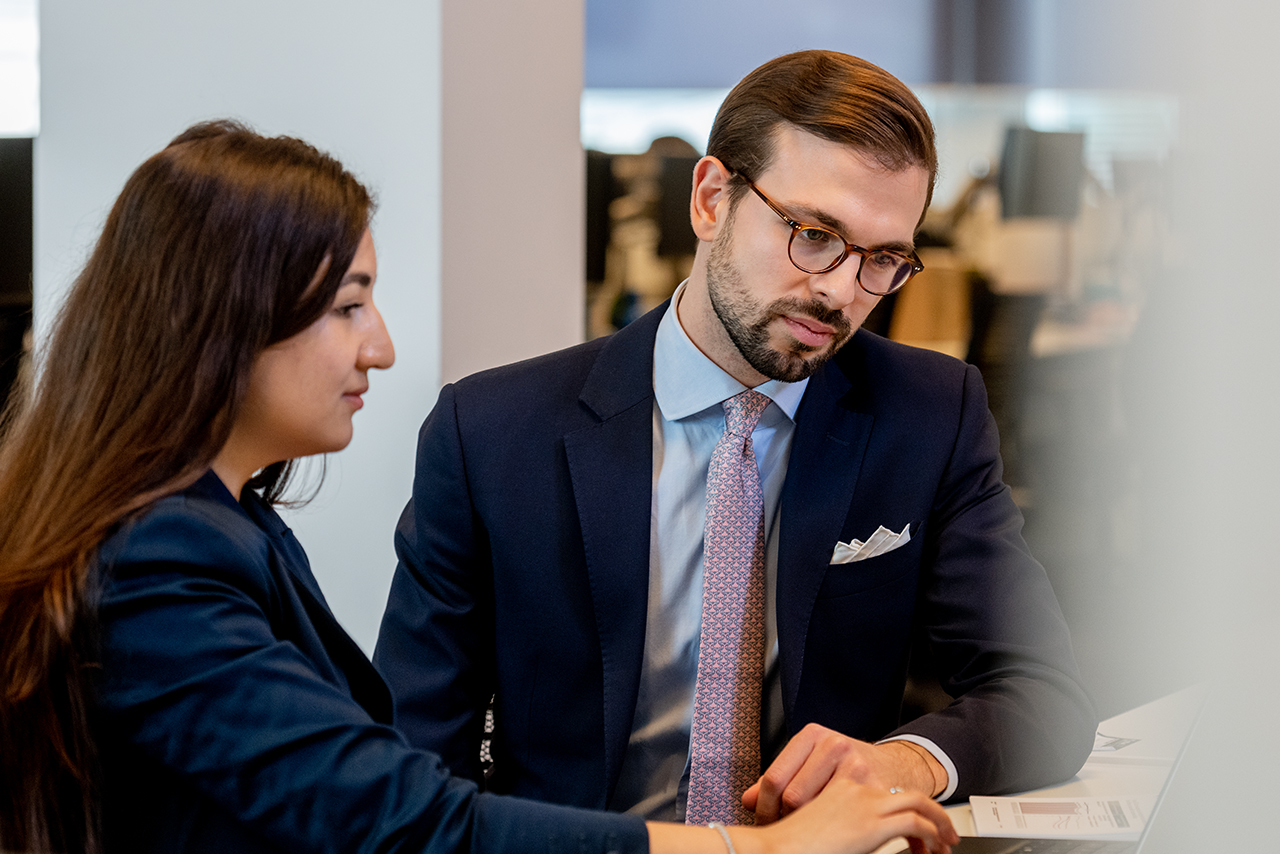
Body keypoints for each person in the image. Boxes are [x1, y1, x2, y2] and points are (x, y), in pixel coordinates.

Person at [0, 121, 956, 854]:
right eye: (347, 306)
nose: (379, 345)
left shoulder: (232, 518)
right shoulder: (160, 555)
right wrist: (764, 851)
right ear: (220, 323)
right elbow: (393, 811)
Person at [375, 49, 1096, 827]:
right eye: (815, 235)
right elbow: (410, 760)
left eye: (883, 259)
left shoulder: (928, 414)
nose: (840, 292)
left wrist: (899, 762)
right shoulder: (493, 433)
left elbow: (1042, 694)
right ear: (713, 199)